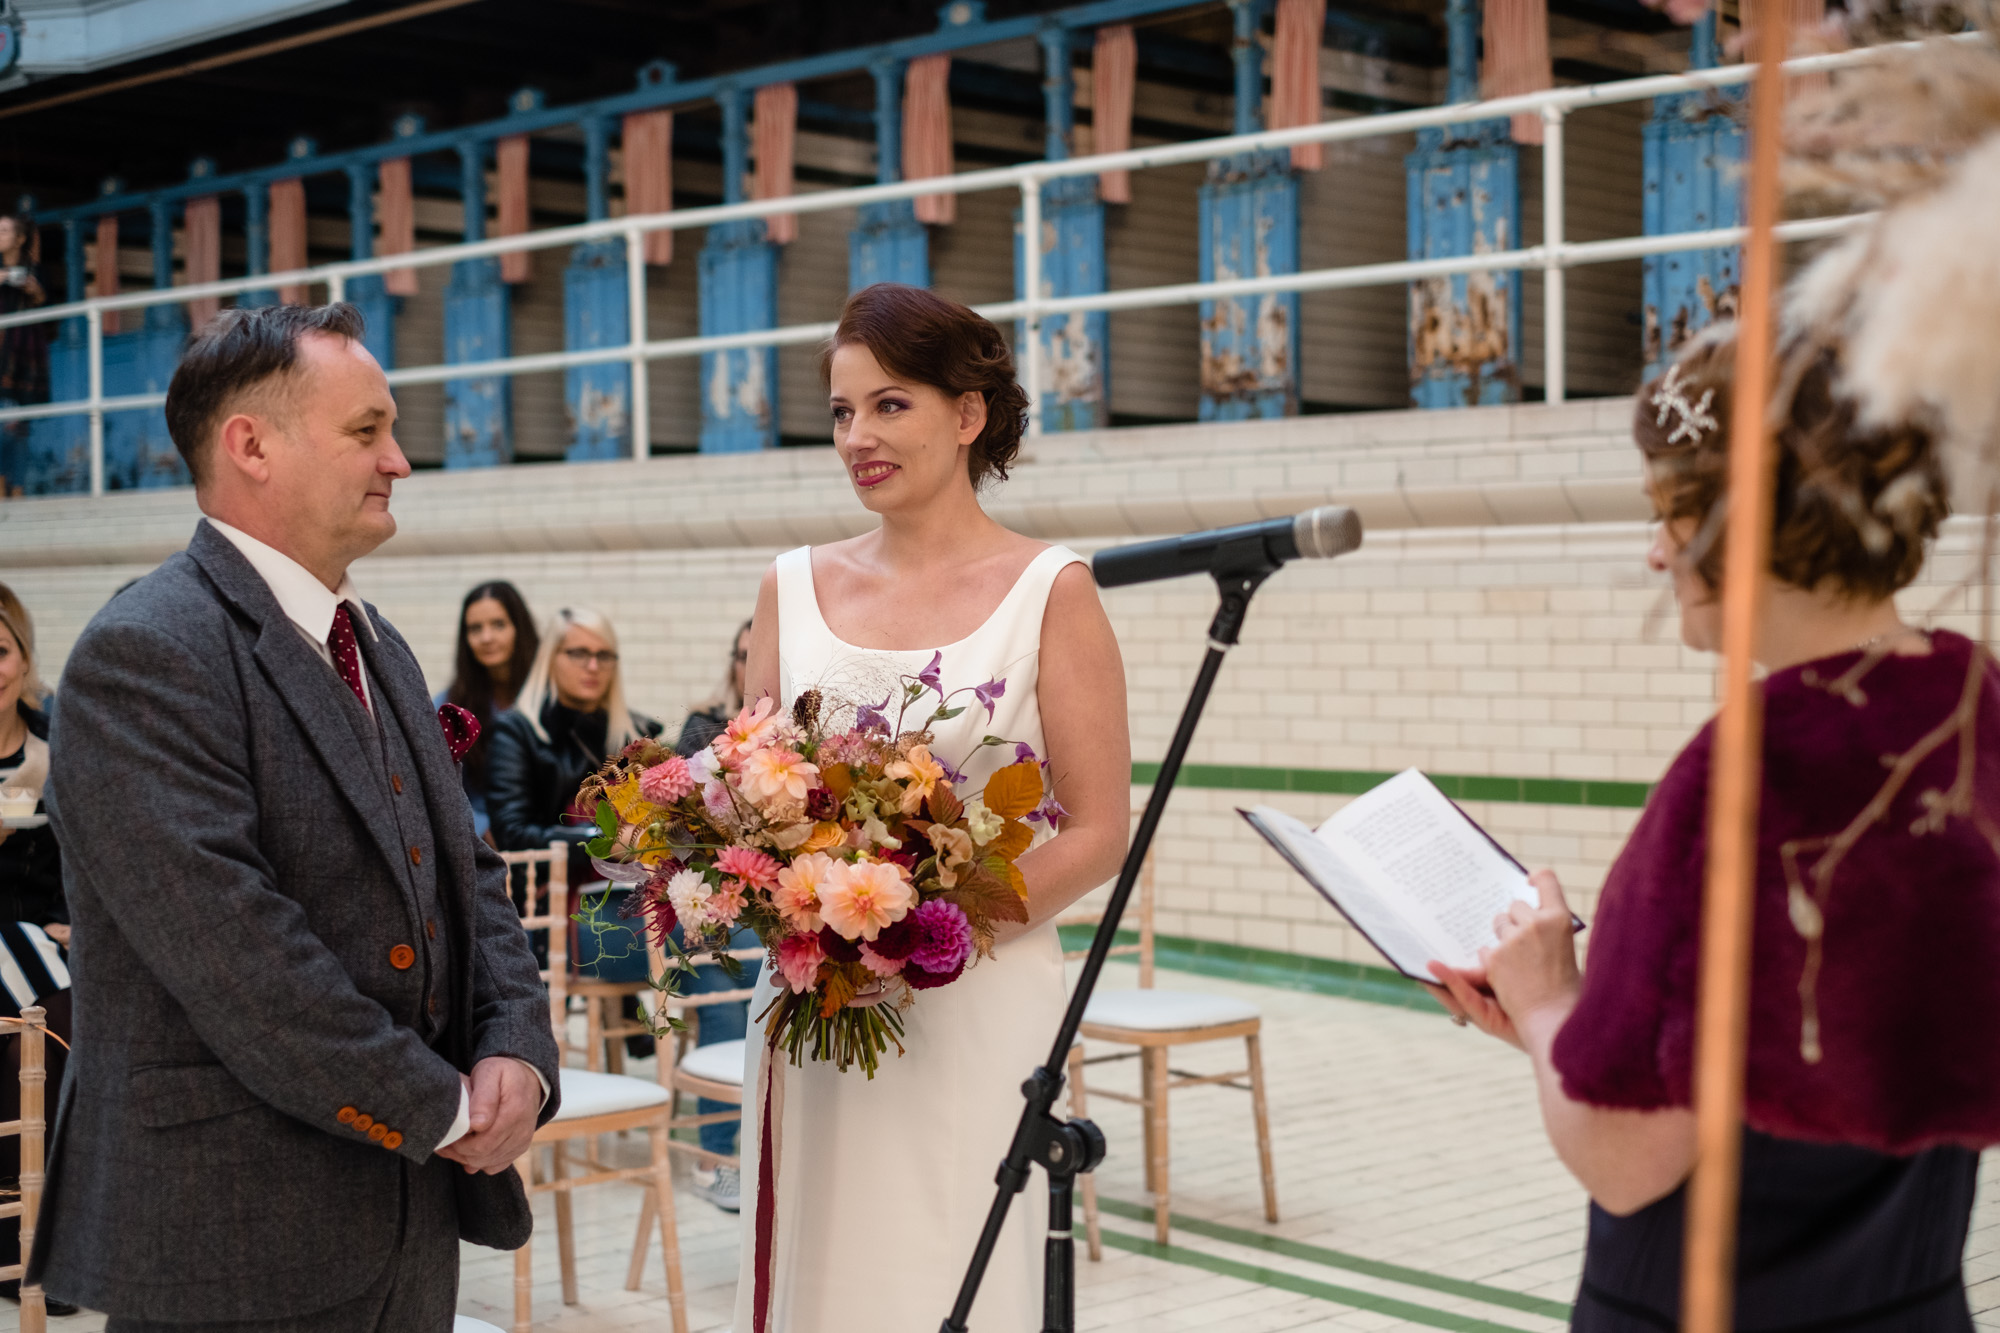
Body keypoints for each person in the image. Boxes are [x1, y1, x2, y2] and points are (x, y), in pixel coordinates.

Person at [1427, 324, 2000, 1331]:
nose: (1654, 553)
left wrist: (1548, 1000)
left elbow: (1625, 1162)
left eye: (1669, 514)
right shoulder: (1967, 705)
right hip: (1912, 1297)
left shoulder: (1743, 776)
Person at [33, 302, 561, 1330]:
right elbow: (240, 958)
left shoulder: (378, 643)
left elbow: (470, 870)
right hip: (233, 1233)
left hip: (405, 1217)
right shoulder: (145, 651)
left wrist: (515, 1049)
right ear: (251, 445)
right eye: (366, 430)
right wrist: (444, 1106)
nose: (399, 460)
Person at [735, 282, 1131, 1332]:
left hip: (974, 1008)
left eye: (889, 404)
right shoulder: (789, 585)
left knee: (953, 1267)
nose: (856, 435)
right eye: (840, 412)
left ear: (968, 415)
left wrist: (920, 942)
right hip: (817, 1014)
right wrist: (795, 912)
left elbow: (1097, 830)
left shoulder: (1053, 590)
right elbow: (751, 798)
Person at [0, 585, 75, 1316]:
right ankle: (14, 1244)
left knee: (73, 1017)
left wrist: (72, 918)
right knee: (32, 1023)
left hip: (41, 935)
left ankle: (58, 1241)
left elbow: (84, 854)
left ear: (23, 658)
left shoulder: (55, 742)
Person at [439, 581, 539, 842]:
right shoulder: (449, 709)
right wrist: (480, 827)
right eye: (475, 628)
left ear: (519, 628)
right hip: (478, 848)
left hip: (544, 839)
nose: (486, 638)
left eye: (498, 625)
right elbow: (438, 787)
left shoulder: (548, 696)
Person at [0, 214, 47, 497]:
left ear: (19, 238)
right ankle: (3, 486)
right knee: (4, 427)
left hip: (24, 355)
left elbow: (45, 304)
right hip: (1, 355)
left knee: (20, 426)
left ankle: (16, 488)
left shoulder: (35, 269)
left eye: (4, 230)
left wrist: (34, 289)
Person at [675, 617, 751, 758]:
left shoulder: (790, 728)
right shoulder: (702, 726)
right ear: (733, 664)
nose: (751, 668)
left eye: (759, 658)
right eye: (744, 656)